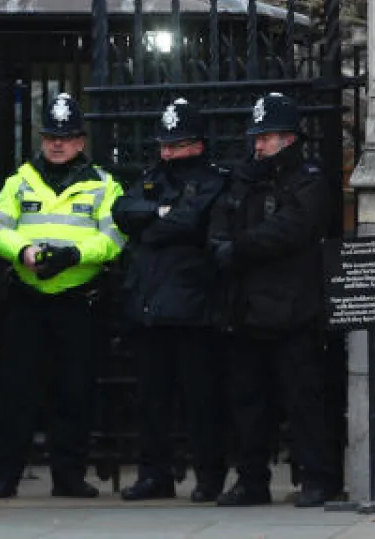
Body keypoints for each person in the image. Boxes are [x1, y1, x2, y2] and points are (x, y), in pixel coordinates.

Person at [0, 92, 124, 499]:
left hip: (78, 299)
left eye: (66, 136)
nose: (57, 143)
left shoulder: (103, 185)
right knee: (16, 392)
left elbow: (114, 238)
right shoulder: (20, 180)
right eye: (50, 136)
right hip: (28, 298)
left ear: (81, 141)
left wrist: (76, 255)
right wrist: (22, 251)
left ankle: (69, 476)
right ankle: (6, 474)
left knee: (75, 391)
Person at [209, 92, 338, 508]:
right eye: (257, 138)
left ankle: (316, 478)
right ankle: (252, 480)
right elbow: (221, 220)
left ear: (288, 139)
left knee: (303, 401)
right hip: (246, 309)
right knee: (248, 404)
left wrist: (239, 248)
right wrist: (226, 244)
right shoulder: (247, 176)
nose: (258, 145)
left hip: (292, 310)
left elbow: (291, 229)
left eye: (265, 138)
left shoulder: (310, 179)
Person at [112, 98, 228, 503]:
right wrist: (160, 213)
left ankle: (209, 476)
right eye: (164, 145)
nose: (167, 153)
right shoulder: (151, 178)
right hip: (150, 304)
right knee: (151, 401)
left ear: (196, 144)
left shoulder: (213, 181)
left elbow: (192, 221)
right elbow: (122, 211)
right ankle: (154, 475)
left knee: (201, 401)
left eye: (175, 145)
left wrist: (154, 221)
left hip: (193, 307)